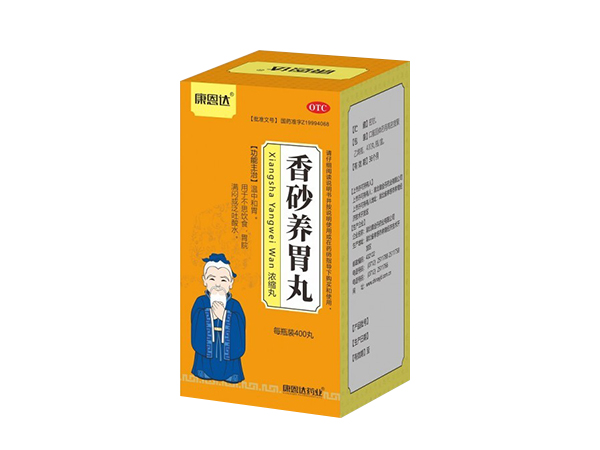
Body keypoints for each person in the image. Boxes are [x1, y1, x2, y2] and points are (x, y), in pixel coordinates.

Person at [191, 253, 246, 383]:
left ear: (231, 282)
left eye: (223, 280)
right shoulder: (201, 302)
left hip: (229, 362)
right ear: (204, 280)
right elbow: (195, 322)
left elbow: (240, 327)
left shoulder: (235, 305)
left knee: (230, 371)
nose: (217, 284)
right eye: (212, 279)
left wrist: (225, 316)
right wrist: (209, 313)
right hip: (205, 359)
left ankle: (229, 375)